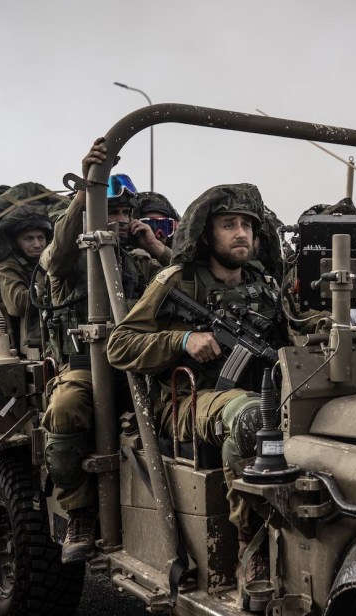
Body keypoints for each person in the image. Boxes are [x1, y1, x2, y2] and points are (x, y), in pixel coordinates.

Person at [107, 183, 287, 588]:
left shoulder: (266, 284)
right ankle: (251, 548)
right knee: (252, 417)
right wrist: (183, 340)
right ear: (207, 233)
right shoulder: (177, 280)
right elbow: (119, 346)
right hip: (187, 399)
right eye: (229, 225)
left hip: (256, 388)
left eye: (247, 225)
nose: (241, 233)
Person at [39, 138, 174, 564]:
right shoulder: (70, 259)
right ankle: (79, 514)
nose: (117, 220)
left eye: (122, 213)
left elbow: (183, 284)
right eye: (109, 211)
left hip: (137, 363)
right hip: (84, 365)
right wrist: (84, 195)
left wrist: (156, 247)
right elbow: (56, 256)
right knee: (64, 408)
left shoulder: (138, 260)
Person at [0, 207, 52, 356]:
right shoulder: (4, 265)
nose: (37, 244)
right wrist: (54, 287)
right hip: (20, 349)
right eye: (28, 239)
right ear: (15, 242)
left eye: (41, 238)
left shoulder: (45, 260)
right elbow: (18, 303)